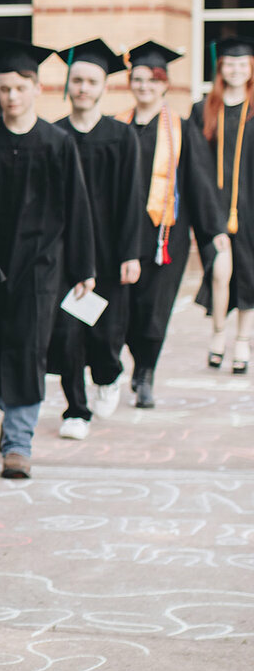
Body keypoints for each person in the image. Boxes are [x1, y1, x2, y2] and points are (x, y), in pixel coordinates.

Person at [0, 41, 97, 479]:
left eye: (19, 87)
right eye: (3, 88)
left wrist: (84, 268)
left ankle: (18, 441)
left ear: (36, 88)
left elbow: (77, 206)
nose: (11, 96)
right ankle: (11, 407)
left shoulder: (57, 143)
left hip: (40, 266)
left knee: (28, 350)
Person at [44, 40, 143, 436]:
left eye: (91, 81)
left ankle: (109, 374)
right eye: (77, 80)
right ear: (68, 85)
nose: (83, 87)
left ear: (104, 87)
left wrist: (130, 253)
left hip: (108, 251)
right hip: (65, 254)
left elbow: (132, 199)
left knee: (105, 334)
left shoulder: (121, 137)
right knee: (67, 335)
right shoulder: (52, 135)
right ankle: (75, 410)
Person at [123, 42, 227, 405]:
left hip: (166, 237)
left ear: (164, 85)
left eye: (152, 80)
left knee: (155, 307)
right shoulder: (117, 129)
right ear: (129, 83)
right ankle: (128, 365)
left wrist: (213, 232)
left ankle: (145, 373)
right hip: (123, 236)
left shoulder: (182, 130)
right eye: (138, 79)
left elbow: (199, 184)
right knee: (126, 308)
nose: (145, 87)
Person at [197, 36, 254, 374]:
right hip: (215, 207)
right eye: (230, 63)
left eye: (243, 64)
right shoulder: (203, 108)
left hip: (250, 208)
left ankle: (243, 339)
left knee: (248, 275)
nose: (236, 69)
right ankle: (218, 332)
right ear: (220, 68)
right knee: (220, 272)